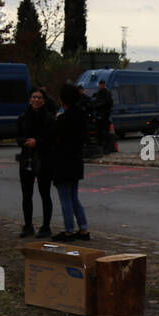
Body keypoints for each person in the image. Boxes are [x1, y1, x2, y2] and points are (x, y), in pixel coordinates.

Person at [51, 83, 90, 241]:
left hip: (63, 160)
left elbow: (55, 139)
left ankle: (68, 230)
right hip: (76, 159)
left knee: (65, 198)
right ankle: (83, 228)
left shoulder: (63, 119)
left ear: (63, 100)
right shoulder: (81, 115)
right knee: (74, 197)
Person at [16, 87, 56, 237]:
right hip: (27, 158)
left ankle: (46, 226)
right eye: (34, 97)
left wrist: (37, 142)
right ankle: (28, 225)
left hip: (44, 160)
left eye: (39, 98)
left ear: (44, 101)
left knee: (45, 194)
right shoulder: (23, 117)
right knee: (27, 194)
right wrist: (25, 142)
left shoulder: (49, 119)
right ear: (29, 99)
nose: (36, 100)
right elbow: (18, 136)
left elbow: (52, 139)